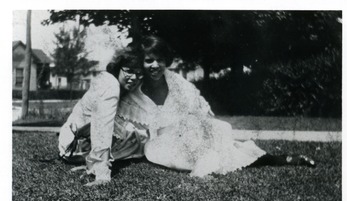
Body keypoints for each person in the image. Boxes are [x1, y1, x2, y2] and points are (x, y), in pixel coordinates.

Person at [113, 35, 315, 178]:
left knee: (222, 137)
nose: (155, 65)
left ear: (167, 62)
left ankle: (282, 159)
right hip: (161, 146)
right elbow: (114, 120)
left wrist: (199, 129)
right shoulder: (134, 93)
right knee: (217, 154)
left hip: (189, 136)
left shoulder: (176, 82)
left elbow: (198, 110)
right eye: (149, 60)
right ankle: (206, 166)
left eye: (160, 60)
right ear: (142, 62)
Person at [58, 45, 144, 186]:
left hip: (78, 145)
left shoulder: (121, 88)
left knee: (141, 135)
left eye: (139, 73)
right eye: (129, 71)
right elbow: (102, 125)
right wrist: (101, 173)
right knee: (141, 139)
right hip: (75, 147)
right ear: (118, 68)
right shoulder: (109, 85)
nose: (134, 78)